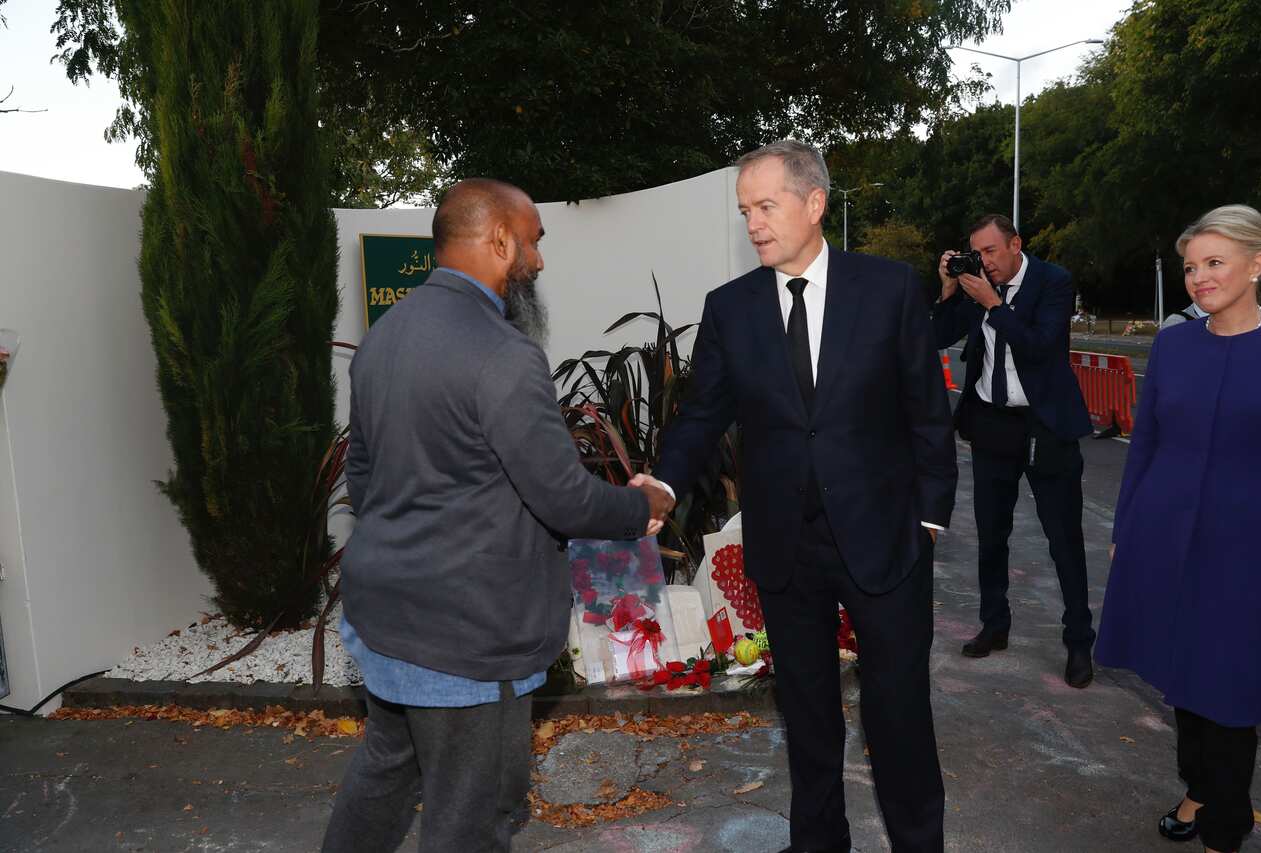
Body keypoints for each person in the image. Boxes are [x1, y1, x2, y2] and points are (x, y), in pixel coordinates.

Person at [322, 179, 674, 853]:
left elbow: (364, 484)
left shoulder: (384, 337)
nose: (539, 261)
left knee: (386, 774)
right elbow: (563, 498)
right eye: (535, 240)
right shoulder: (505, 355)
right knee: (473, 818)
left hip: (387, 621)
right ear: (500, 240)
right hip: (467, 642)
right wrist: (643, 505)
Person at [635, 141, 957, 853]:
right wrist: (662, 479)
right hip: (785, 545)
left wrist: (929, 520)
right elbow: (702, 415)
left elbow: (928, 415)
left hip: (886, 539)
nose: (752, 222)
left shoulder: (889, 289)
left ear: (814, 204)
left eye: (766, 205)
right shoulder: (731, 308)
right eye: (745, 209)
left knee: (898, 714)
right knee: (808, 716)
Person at [1096, 204, 1261, 853]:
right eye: (1191, 266)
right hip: (1165, 537)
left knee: (1230, 690)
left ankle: (1223, 830)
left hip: (1252, 551)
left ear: (1256, 263)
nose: (1198, 277)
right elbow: (1144, 442)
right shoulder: (1173, 343)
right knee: (1185, 679)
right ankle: (1198, 787)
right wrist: (1126, 525)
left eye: (1214, 262)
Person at [931, 215, 1096, 689]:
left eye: (991, 252)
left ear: (1015, 244)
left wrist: (994, 304)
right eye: (976, 253)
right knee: (990, 534)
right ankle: (994, 624)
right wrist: (948, 290)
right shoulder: (974, 283)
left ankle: (1079, 641)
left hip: (1045, 423)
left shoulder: (1052, 281)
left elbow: (1042, 346)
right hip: (992, 422)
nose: (984, 262)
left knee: (1063, 538)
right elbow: (937, 337)